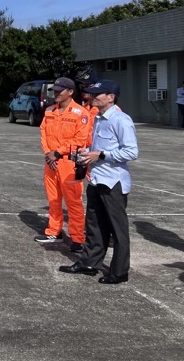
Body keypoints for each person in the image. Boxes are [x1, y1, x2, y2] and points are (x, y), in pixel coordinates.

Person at [58, 80, 138, 284]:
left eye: (98, 94)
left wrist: (101, 155)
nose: (93, 97)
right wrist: (87, 154)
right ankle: (89, 263)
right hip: (96, 179)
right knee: (94, 225)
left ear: (111, 97)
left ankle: (119, 271)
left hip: (113, 182)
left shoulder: (121, 119)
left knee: (117, 229)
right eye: (92, 94)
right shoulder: (99, 119)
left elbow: (131, 151)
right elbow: (98, 149)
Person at [34, 77, 90, 252]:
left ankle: (78, 238)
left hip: (69, 163)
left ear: (71, 92)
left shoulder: (81, 113)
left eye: (60, 91)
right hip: (51, 162)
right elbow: (44, 133)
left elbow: (80, 139)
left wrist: (57, 153)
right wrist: (48, 154)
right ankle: (54, 231)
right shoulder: (50, 111)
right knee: (53, 199)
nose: (56, 93)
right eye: (55, 90)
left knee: (73, 202)